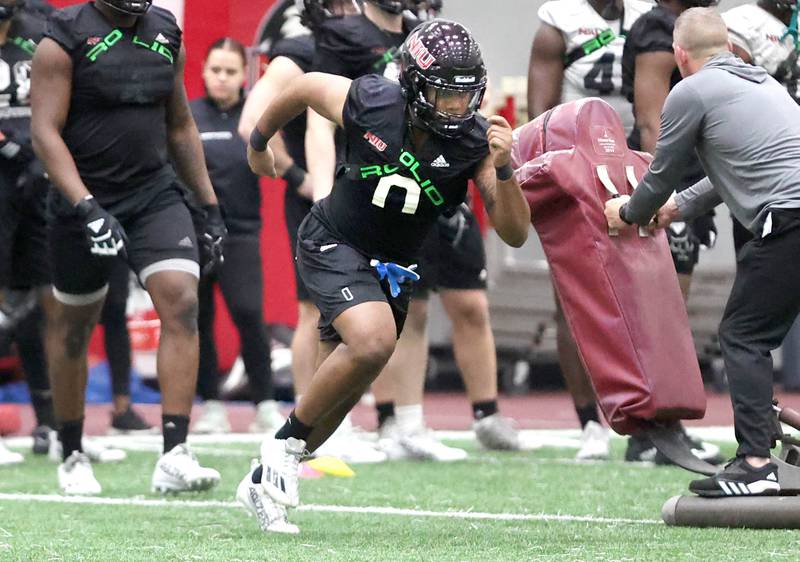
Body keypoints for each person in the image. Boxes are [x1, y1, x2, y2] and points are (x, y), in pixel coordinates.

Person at [240, 19, 530, 533]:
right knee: (373, 342)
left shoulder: (475, 142)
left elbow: (514, 232)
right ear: (415, 84)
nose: (456, 108)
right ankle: (281, 447)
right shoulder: (373, 100)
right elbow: (305, 87)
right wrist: (260, 142)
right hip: (333, 239)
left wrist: (505, 169)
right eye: (444, 94)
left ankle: (264, 477)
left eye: (464, 97)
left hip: (393, 268)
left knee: (343, 393)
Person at [310, 0, 520, 460]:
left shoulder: (440, 43)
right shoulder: (348, 38)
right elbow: (314, 103)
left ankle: (412, 421)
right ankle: (345, 425)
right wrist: (316, 181)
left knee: (427, 308)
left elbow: (516, 228)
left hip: (434, 188)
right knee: (360, 320)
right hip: (372, 188)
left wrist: (501, 167)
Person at [605, 7, 800, 496]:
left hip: (789, 220)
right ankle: (766, 440)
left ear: (679, 55)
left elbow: (661, 173)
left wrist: (629, 212)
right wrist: (676, 209)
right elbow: (728, 171)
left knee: (743, 335)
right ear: (731, 48)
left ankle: (755, 464)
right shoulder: (764, 84)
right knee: (755, 332)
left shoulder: (690, 91)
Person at [31, 0, 223, 495]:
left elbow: (179, 123)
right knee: (74, 328)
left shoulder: (165, 30)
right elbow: (45, 132)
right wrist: (87, 207)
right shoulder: (63, 37)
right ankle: (72, 451)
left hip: (153, 193)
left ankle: (174, 453)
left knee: (181, 299)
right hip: (82, 198)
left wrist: (209, 204)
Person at [528, 0, 651, 461]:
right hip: (577, 165)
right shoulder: (558, 20)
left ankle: (645, 420)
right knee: (572, 301)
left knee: (641, 300)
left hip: (634, 164)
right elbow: (539, 116)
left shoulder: (646, 13)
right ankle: (589, 423)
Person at [620, 0, 723, 466]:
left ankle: (667, 425)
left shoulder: (689, 26)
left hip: (687, 182)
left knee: (671, 313)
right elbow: (651, 123)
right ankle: (647, 430)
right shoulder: (657, 30)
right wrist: (658, 196)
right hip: (663, 184)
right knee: (656, 311)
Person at [188, 37, 285, 435]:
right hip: (194, 233)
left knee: (249, 315)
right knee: (198, 320)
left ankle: (265, 405)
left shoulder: (255, 118)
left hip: (241, 232)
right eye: (215, 70)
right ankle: (211, 406)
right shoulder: (188, 115)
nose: (222, 78)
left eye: (230, 71)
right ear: (203, 71)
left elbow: (278, 163)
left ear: (244, 76)